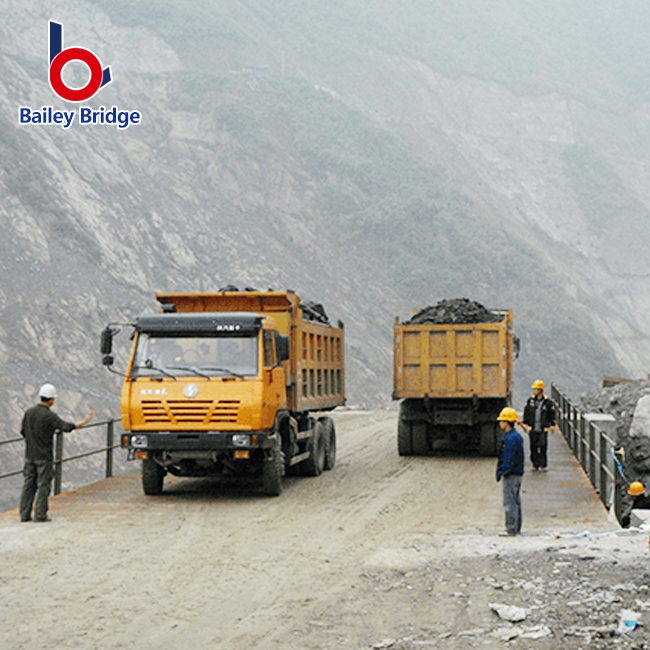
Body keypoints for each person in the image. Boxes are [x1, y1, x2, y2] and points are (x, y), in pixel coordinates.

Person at [19, 383, 94, 522]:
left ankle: (24, 514)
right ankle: (40, 514)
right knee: (43, 485)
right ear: (51, 400)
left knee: (28, 485)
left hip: (29, 456)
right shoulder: (49, 416)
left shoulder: (29, 412)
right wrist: (84, 421)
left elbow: (23, 433)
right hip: (44, 457)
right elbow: (66, 427)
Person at [496, 407, 524, 536]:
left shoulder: (510, 439)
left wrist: (503, 471)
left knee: (509, 502)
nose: (500, 423)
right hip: (517, 473)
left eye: (502, 420)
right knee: (516, 501)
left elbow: (508, 458)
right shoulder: (516, 436)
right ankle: (516, 528)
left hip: (511, 474)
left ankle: (511, 529)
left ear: (506, 422)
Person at [522, 379, 556, 471]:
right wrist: (525, 424)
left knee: (543, 446)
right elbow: (527, 412)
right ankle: (535, 464)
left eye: (536, 389)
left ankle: (543, 464)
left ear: (540, 390)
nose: (534, 391)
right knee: (533, 446)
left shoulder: (547, 402)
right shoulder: (530, 401)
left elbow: (551, 414)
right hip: (533, 428)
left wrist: (552, 425)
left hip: (542, 428)